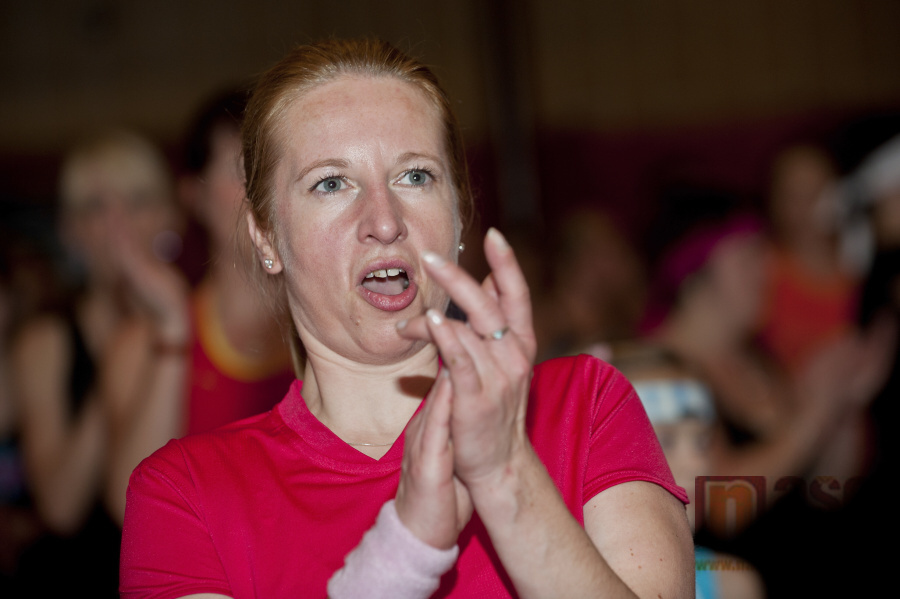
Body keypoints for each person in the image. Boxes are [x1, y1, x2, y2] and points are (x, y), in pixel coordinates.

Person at [120, 38, 694, 598]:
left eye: (415, 176)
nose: (385, 220)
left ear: (459, 212)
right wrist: (405, 552)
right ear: (266, 237)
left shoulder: (584, 406)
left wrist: (506, 478)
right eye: (331, 183)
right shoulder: (185, 491)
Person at [103, 88, 295, 524]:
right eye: (241, 169)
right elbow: (128, 504)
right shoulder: (140, 344)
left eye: (272, 166)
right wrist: (173, 326)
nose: (261, 187)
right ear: (193, 195)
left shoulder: (332, 327)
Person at [10, 130, 185, 596]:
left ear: (171, 218)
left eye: (137, 202)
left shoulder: (199, 324)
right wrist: (118, 358)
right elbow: (59, 507)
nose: (117, 226)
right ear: (70, 231)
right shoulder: (46, 342)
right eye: (95, 208)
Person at [613, 345, 764, 599]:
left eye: (702, 442)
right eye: (666, 440)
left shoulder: (729, 584)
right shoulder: (558, 580)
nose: (698, 464)